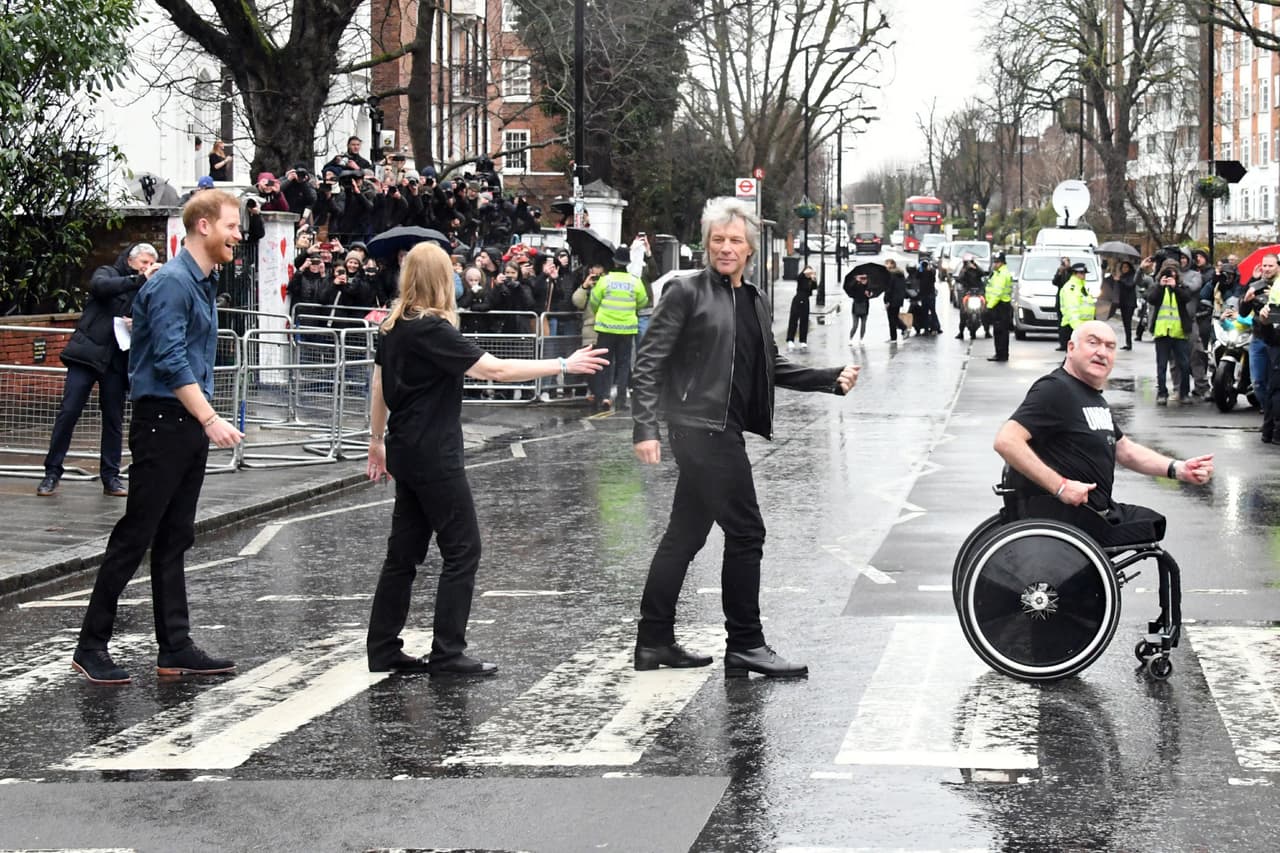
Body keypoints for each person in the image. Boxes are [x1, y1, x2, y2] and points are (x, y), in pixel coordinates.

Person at [630, 197, 859, 678]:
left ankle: (653, 641)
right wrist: (645, 428)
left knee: (685, 535)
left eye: (735, 241)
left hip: (723, 428)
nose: (726, 248)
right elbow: (648, 363)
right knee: (747, 531)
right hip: (700, 429)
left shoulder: (753, 300)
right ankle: (746, 644)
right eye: (718, 240)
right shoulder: (685, 292)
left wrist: (828, 377)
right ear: (706, 244)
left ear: (750, 249)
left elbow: (769, 367)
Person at [364, 242, 607, 675]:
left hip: (404, 447)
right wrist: (562, 364)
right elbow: (494, 370)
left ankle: (383, 648)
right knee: (463, 549)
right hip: (436, 452)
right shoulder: (432, 330)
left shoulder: (393, 326)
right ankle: (447, 652)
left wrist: (377, 440)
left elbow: (379, 386)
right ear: (442, 280)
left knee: (403, 553)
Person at [71, 190, 246, 684]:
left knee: (174, 537)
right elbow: (170, 362)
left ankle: (175, 646)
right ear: (204, 226)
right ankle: (91, 645)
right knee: (136, 535)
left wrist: (203, 421)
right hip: (164, 423)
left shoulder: (201, 283)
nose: (239, 235)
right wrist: (210, 418)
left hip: (183, 424)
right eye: (232, 226)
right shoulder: (172, 284)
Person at [993, 320, 1213, 654]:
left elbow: (1125, 451)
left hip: (1093, 512)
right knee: (1156, 540)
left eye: (1110, 346)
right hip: (1071, 516)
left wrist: (1178, 468)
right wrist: (1061, 486)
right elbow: (1007, 440)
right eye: (1093, 343)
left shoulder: (1092, 398)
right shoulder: (1055, 389)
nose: (1102, 352)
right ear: (1071, 348)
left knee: (1152, 522)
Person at [37, 243, 161, 498]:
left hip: (116, 361)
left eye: (151, 265)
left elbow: (153, 319)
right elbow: (100, 288)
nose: (147, 269)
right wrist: (137, 279)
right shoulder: (110, 273)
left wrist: (138, 323)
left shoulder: (148, 289)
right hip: (87, 355)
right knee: (69, 412)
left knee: (114, 420)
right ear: (131, 260)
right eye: (144, 263)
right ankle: (51, 472)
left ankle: (111, 477)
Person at [589, 246, 649, 410]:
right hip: (626, 330)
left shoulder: (605, 280)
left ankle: (604, 397)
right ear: (627, 263)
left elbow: (594, 300)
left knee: (605, 363)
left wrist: (600, 312)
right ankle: (621, 400)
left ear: (615, 262)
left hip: (606, 328)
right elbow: (643, 301)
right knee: (623, 365)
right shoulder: (635, 282)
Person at [1149, 261, 1195, 406]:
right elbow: (1151, 299)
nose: (1170, 275)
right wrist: (1160, 287)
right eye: (1167, 273)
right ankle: (1162, 393)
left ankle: (1184, 393)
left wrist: (1175, 287)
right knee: (1161, 365)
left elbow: (1186, 297)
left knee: (1185, 365)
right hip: (1162, 332)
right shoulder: (1158, 287)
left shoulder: (1181, 287)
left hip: (1179, 332)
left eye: (1172, 272)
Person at [985, 251, 1013, 361]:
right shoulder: (997, 273)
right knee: (998, 331)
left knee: (1001, 331)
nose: (994, 264)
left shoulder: (1003, 274)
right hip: (998, 305)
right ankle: (1000, 353)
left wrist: (990, 306)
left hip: (1001, 305)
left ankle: (1001, 354)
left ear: (1002, 263)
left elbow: (998, 292)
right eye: (994, 262)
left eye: (997, 262)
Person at [1057, 262, 1091, 348]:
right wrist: (1078, 328)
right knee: (1073, 358)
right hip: (1072, 327)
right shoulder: (1071, 288)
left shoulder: (1081, 287)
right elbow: (1072, 310)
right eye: (1081, 273)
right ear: (1074, 274)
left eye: (1084, 273)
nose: (1084, 275)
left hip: (1082, 327)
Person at [785, 265, 817, 351]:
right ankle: (790, 339)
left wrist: (813, 279)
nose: (809, 273)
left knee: (804, 321)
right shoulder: (801, 278)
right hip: (797, 300)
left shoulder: (810, 280)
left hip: (806, 301)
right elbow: (798, 277)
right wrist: (805, 273)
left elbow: (815, 287)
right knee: (793, 320)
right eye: (808, 272)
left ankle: (803, 341)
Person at [843, 268, 874, 343]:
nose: (863, 279)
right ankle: (850, 339)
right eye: (862, 278)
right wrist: (856, 280)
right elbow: (849, 290)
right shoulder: (855, 285)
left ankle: (861, 339)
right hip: (856, 306)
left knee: (863, 325)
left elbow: (872, 293)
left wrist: (869, 294)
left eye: (864, 278)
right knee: (855, 325)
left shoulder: (868, 285)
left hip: (865, 306)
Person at [883, 257, 909, 342]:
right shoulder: (900, 274)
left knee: (892, 319)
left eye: (887, 263)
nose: (886, 265)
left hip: (892, 299)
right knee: (894, 317)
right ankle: (894, 336)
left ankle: (902, 330)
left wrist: (886, 300)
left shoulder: (891, 275)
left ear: (892, 265)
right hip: (898, 299)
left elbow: (889, 289)